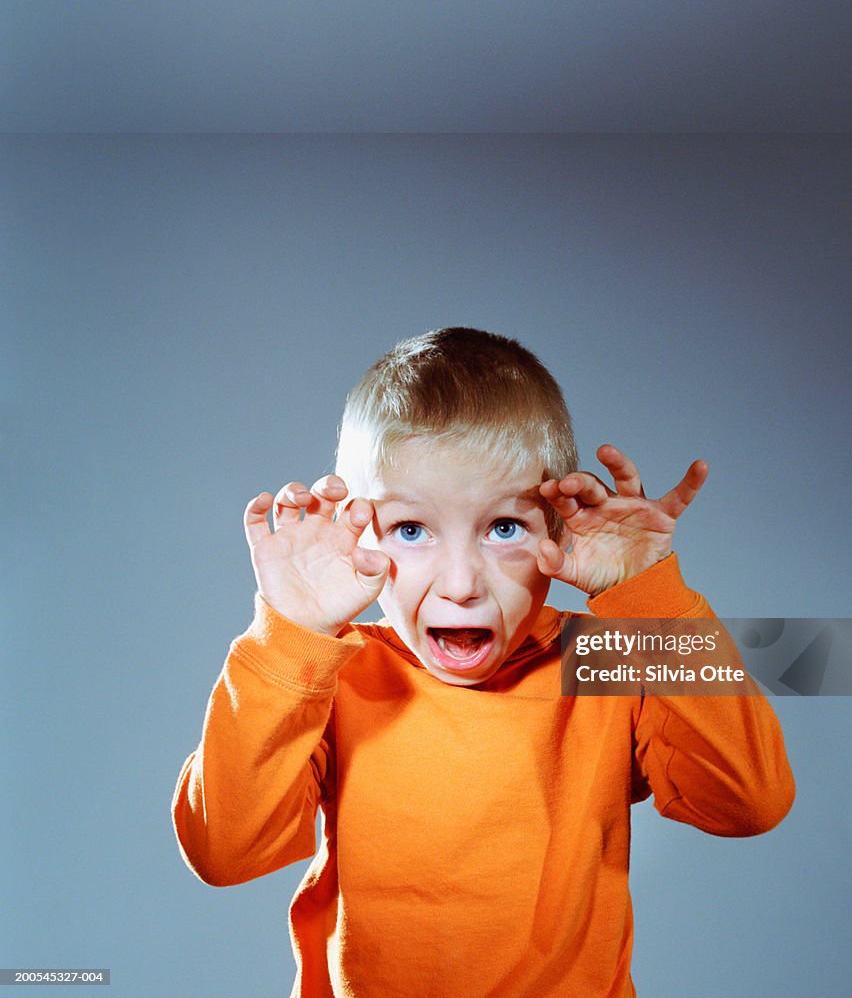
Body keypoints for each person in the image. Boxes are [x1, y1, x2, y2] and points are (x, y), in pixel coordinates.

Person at [172, 326, 794, 998]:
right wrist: (290, 631)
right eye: (411, 530)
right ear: (359, 531)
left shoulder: (604, 660)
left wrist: (649, 603)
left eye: (504, 528)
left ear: (556, 531)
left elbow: (748, 802)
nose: (461, 583)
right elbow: (224, 852)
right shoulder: (331, 672)